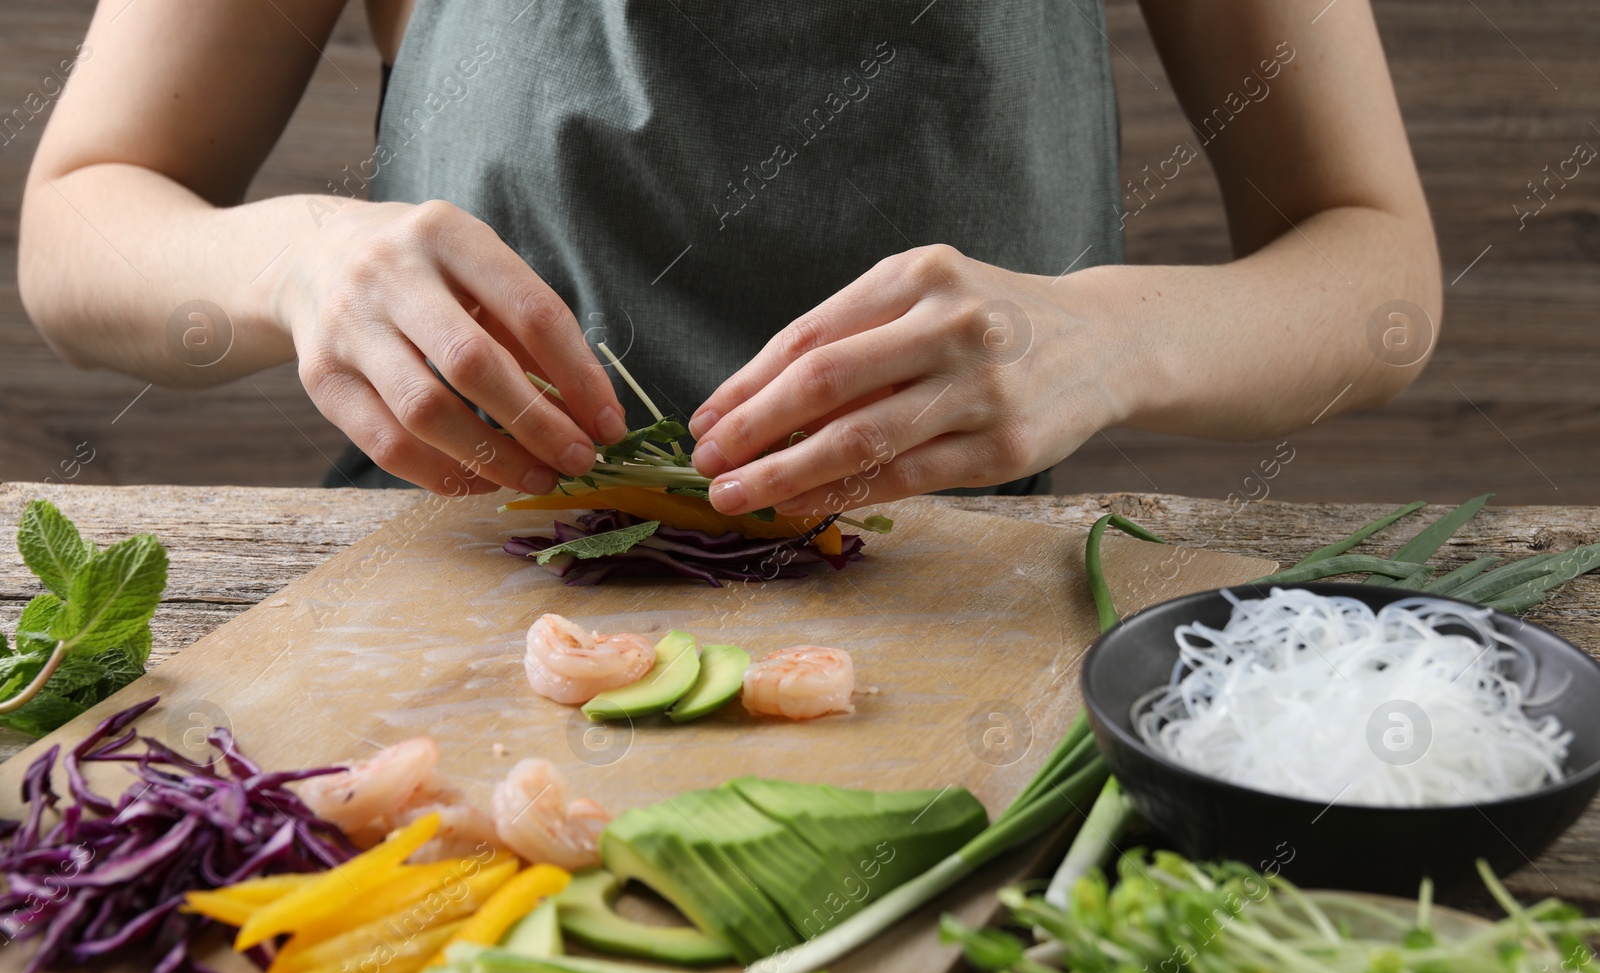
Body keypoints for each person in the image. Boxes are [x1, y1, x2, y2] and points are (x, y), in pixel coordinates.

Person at [19, 0, 1439, 517]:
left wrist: (1117, 338)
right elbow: (79, 227)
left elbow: (1379, 271)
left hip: (951, 615)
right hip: (453, 587)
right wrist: (298, 262)